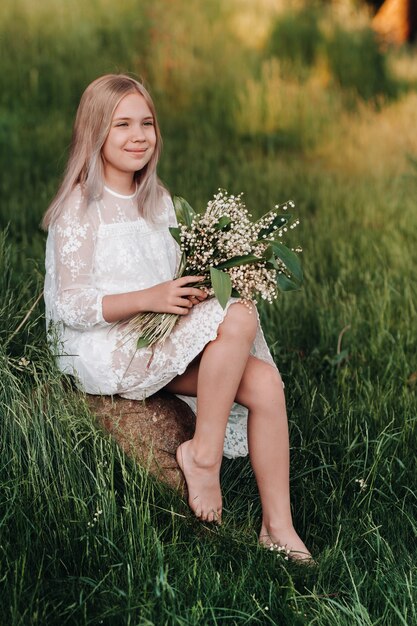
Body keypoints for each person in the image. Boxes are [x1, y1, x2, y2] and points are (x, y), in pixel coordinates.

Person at [43, 74, 311, 561]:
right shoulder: (81, 208)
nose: (138, 135)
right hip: (112, 345)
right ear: (95, 132)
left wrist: (201, 285)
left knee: (265, 378)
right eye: (122, 124)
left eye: (147, 122)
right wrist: (153, 297)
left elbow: (171, 277)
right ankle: (203, 456)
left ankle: (278, 526)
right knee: (241, 318)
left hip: (160, 333)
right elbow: (70, 306)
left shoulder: (158, 201)